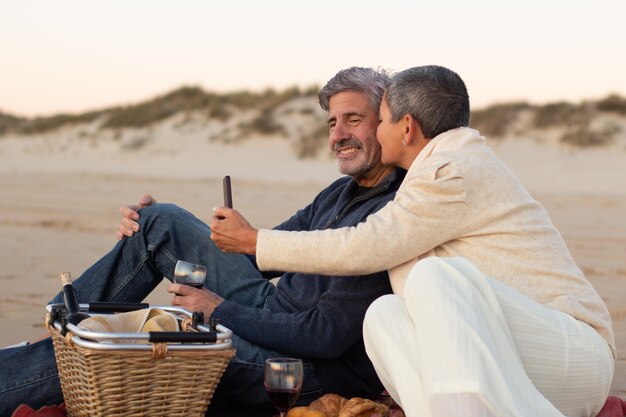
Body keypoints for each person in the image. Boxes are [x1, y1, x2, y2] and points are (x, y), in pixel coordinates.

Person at [210, 65, 616, 417]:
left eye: (380, 119)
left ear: (407, 128)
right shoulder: (427, 176)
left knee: (434, 278)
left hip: (573, 360)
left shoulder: (452, 171)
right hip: (513, 363)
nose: (374, 129)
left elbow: (364, 245)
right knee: (384, 314)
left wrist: (255, 241)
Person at [0, 67, 407, 416]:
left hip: (305, 365)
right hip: (273, 313)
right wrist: (184, 234)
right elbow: (260, 258)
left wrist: (218, 309)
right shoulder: (340, 192)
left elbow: (323, 336)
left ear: (387, 123)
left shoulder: (393, 214)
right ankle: (63, 324)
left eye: (353, 119)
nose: (338, 134)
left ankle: (26, 368)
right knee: (159, 221)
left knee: (125, 347)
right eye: (332, 123)